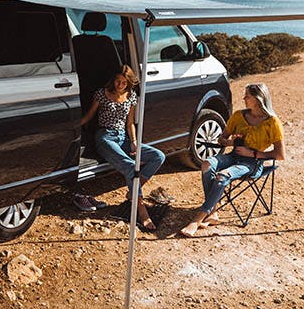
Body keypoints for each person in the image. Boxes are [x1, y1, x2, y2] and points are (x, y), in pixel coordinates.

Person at [180, 82, 284, 237]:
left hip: (252, 163)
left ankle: (197, 219)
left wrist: (253, 154)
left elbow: (280, 155)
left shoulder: (272, 122)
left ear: (258, 98)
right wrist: (230, 142)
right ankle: (213, 212)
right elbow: (221, 139)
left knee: (222, 175)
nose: (244, 98)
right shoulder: (238, 116)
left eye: (247, 96)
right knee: (207, 163)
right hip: (233, 156)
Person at [80, 65, 165, 230]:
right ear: (114, 79)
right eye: (118, 81)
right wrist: (71, 128)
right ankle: (141, 211)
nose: (120, 85)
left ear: (129, 83)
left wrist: (133, 141)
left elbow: (130, 123)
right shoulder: (102, 93)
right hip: (105, 138)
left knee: (158, 156)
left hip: (123, 138)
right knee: (131, 168)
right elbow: (89, 116)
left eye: (124, 83)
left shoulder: (131, 96)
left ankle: (134, 192)